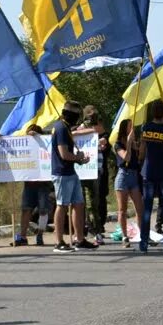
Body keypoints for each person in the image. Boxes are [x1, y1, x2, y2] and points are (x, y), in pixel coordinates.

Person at [136, 101, 163, 253]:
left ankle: (143, 243)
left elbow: (141, 152)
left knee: (147, 209)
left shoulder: (145, 129)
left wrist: (141, 163)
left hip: (148, 173)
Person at [48, 101, 93, 253]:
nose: (78, 118)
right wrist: (78, 158)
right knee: (61, 205)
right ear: (71, 114)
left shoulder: (66, 127)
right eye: (76, 115)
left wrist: (78, 159)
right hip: (61, 173)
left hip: (70, 172)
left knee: (78, 204)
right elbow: (64, 154)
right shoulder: (60, 128)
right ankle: (59, 242)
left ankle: (79, 240)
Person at [80, 106, 111, 246]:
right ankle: (83, 231)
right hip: (81, 171)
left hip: (95, 171)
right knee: (81, 203)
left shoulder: (101, 131)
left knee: (94, 203)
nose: (93, 119)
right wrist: (91, 132)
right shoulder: (81, 129)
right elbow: (71, 133)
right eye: (90, 116)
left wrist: (103, 142)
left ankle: (97, 230)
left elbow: (105, 146)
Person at [112, 119, 144, 248]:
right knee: (122, 209)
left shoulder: (134, 143)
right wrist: (129, 142)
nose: (132, 129)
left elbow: (140, 156)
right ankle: (125, 237)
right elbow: (126, 157)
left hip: (134, 175)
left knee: (139, 208)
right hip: (123, 176)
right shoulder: (118, 144)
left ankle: (142, 234)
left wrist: (139, 143)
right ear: (124, 129)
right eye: (130, 126)